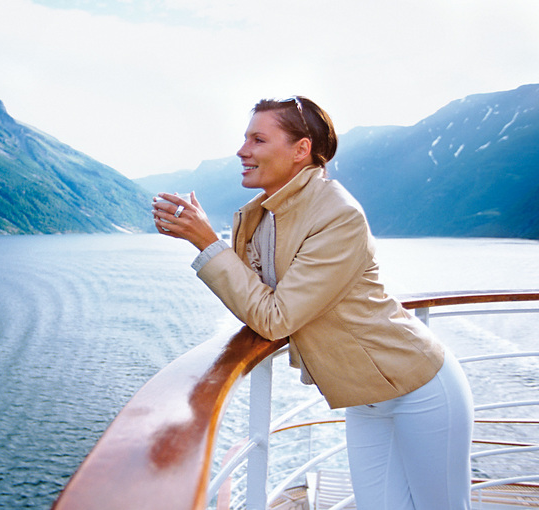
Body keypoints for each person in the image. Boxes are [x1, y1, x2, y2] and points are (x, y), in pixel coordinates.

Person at [151, 96, 474, 509]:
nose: (242, 150)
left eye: (258, 139)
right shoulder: (263, 215)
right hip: (364, 396)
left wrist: (205, 242)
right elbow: (255, 297)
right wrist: (208, 239)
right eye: (245, 138)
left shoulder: (338, 215)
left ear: (301, 149)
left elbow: (274, 317)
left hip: (421, 389)